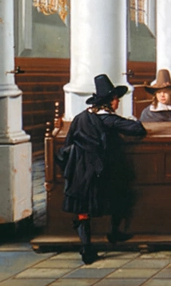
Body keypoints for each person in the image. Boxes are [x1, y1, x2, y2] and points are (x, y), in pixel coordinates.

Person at [58, 74, 147, 264]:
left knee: (83, 209)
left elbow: (68, 144)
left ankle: (86, 246)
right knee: (119, 194)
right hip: (100, 171)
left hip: (79, 172)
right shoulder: (109, 120)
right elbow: (138, 129)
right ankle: (114, 234)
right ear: (109, 101)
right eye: (116, 99)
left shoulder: (80, 118)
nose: (117, 102)